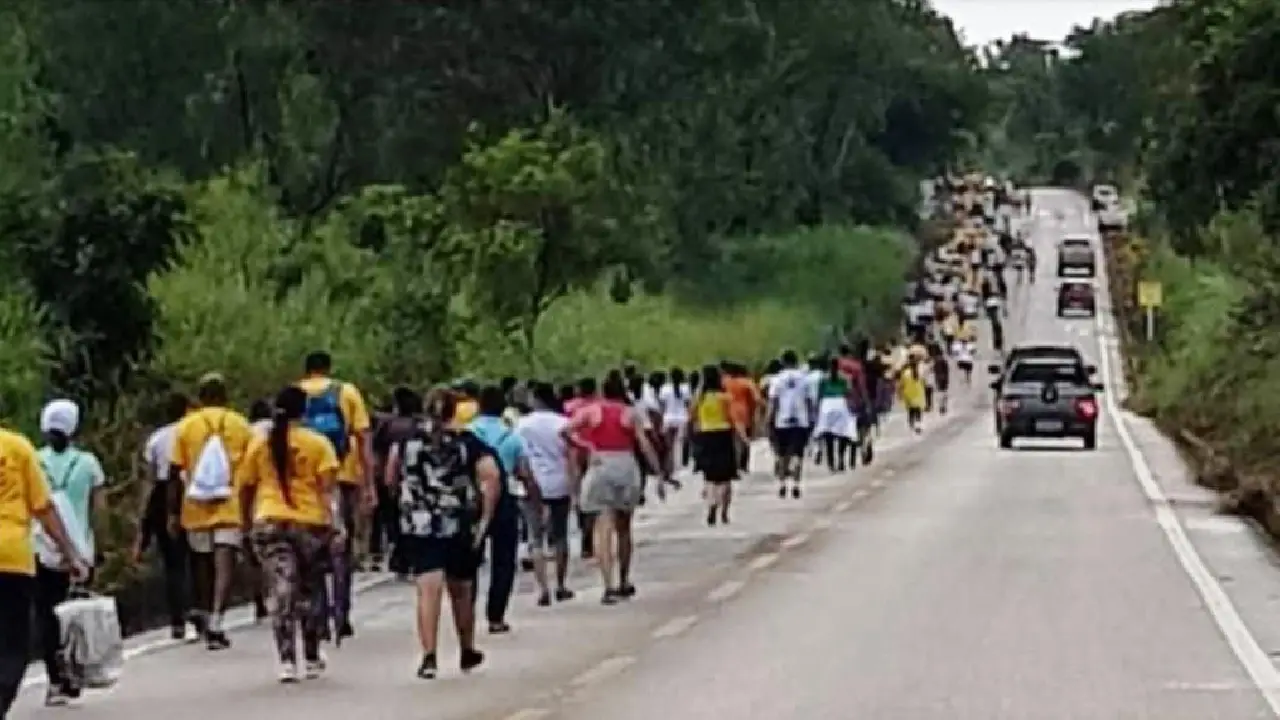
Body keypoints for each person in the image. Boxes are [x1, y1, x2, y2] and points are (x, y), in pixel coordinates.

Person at [386, 391, 500, 680]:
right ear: (453, 411)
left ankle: (429, 655)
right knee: (461, 589)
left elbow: (390, 476)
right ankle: (467, 649)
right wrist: (485, 518)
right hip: (458, 522)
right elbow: (491, 476)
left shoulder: (406, 442)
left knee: (428, 589)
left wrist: (407, 501)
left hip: (419, 524)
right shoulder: (467, 442)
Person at [238, 386, 340, 683]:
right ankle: (311, 655)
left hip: (270, 521)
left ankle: (286, 660)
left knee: (281, 588)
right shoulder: (317, 444)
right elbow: (328, 491)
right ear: (304, 411)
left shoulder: (260, 445)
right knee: (310, 588)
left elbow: (245, 487)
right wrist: (336, 525)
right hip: (309, 523)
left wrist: (245, 523)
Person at [0, 424, 88, 718]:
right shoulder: (17, 447)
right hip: (11, 558)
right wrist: (71, 554)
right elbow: (43, 507)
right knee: (13, 644)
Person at [168, 372, 253, 650]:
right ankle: (217, 618)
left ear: (200, 397)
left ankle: (204, 613)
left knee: (202, 564)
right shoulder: (241, 425)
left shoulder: (186, 427)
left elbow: (174, 472)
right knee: (224, 564)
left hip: (195, 506)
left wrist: (172, 513)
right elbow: (253, 471)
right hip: (231, 504)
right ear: (225, 396)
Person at [567, 371, 663, 604]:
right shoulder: (630, 413)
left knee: (603, 528)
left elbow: (566, 431)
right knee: (624, 528)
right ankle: (624, 579)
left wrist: (587, 446)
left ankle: (607, 584)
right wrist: (658, 472)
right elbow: (644, 444)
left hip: (601, 463)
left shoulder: (591, 411)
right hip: (626, 465)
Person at [33, 400, 106, 706]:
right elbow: (99, 510)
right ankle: (76, 670)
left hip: (41, 547)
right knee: (73, 613)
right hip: (80, 549)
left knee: (46, 613)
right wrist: (98, 545)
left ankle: (55, 679)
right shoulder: (88, 464)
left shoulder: (34, 461)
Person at [297, 351, 373, 642]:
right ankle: (341, 613)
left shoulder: (295, 394)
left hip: (307, 484)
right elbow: (363, 438)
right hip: (343, 476)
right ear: (329, 368)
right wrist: (369, 484)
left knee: (311, 550)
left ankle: (318, 613)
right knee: (341, 548)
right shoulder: (346, 392)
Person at [469, 385, 540, 634]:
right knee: (504, 560)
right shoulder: (511, 436)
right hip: (504, 499)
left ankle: (466, 611)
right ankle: (496, 616)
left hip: (472, 499)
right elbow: (524, 473)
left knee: (469, 559)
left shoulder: (468, 433)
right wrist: (535, 499)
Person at [133, 392, 195, 640]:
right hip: (191, 491)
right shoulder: (193, 431)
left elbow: (150, 480)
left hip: (161, 495)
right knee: (198, 557)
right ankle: (200, 609)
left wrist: (143, 518)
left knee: (172, 563)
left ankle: (177, 619)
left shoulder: (156, 439)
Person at [515, 382, 579, 605]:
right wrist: (575, 485)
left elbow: (521, 456)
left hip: (531, 483)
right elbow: (571, 455)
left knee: (535, 537)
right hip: (559, 482)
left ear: (535, 399)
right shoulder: (562, 423)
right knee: (560, 535)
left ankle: (543, 588)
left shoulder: (522, 424)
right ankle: (560, 584)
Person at [691, 365, 745, 525]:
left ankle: (712, 501)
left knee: (709, 476)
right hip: (723, 435)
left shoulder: (699, 399)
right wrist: (743, 438)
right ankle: (724, 512)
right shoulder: (725, 398)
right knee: (726, 476)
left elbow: (691, 417)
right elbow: (734, 419)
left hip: (705, 435)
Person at [767, 350, 816, 499]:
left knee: (782, 455)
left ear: (783, 362)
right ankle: (796, 484)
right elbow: (809, 401)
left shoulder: (777, 379)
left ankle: (782, 484)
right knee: (798, 454)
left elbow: (773, 402)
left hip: (782, 420)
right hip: (801, 420)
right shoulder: (805, 379)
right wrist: (812, 418)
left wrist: (769, 419)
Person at [812, 359, 858, 473]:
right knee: (843, 433)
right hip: (840, 403)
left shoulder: (824, 378)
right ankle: (841, 458)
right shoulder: (844, 378)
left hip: (827, 405)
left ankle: (831, 463)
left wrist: (817, 411)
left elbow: (819, 395)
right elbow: (849, 392)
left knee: (828, 435)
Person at [899, 357, 928, 433]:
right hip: (918, 393)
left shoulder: (905, 373)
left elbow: (901, 384)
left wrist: (900, 394)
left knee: (911, 410)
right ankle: (918, 425)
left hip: (908, 394)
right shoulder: (919, 372)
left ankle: (911, 424)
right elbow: (924, 382)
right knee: (918, 410)